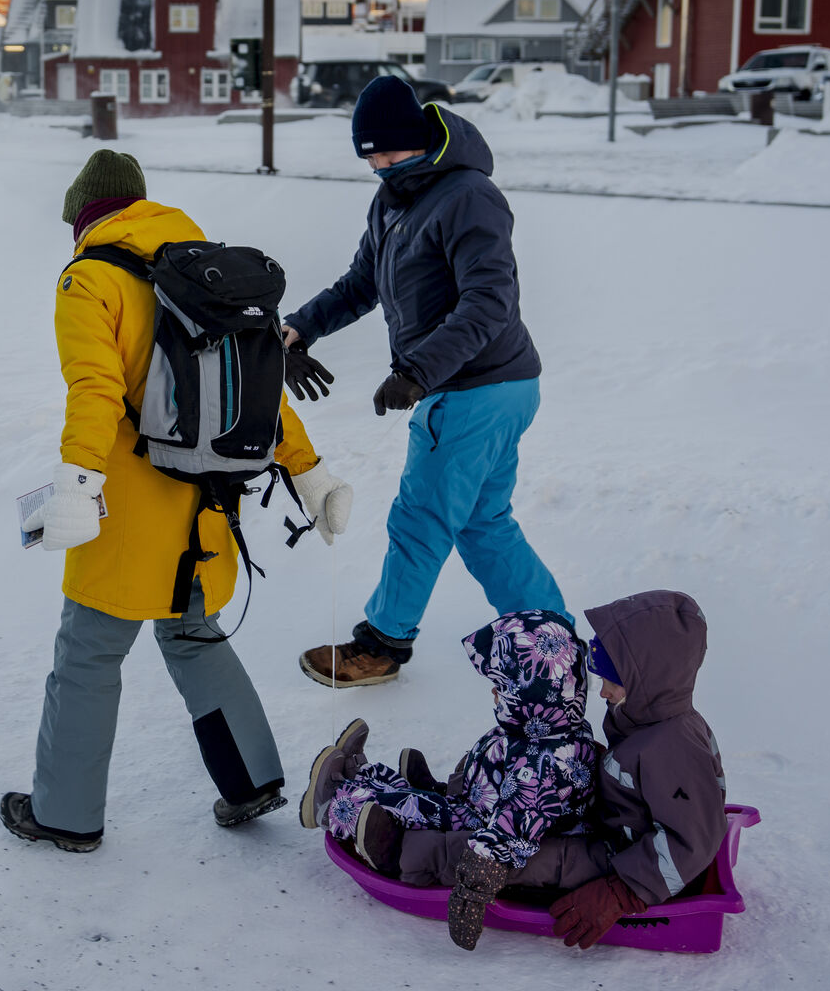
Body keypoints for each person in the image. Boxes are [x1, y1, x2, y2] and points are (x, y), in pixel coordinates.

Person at [2, 150, 356, 853]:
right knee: (193, 635)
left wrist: (77, 482)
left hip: (130, 513)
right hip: (210, 509)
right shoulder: (207, 278)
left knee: (88, 656)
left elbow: (95, 394)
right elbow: (261, 395)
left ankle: (65, 815)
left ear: (84, 215)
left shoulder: (90, 279)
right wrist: (309, 472)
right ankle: (251, 779)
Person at [282, 75, 563, 687]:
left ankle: (382, 646)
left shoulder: (467, 196)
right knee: (483, 522)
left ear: (418, 139)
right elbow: (361, 283)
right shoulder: (392, 200)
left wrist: (417, 370)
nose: (378, 164)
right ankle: (552, 640)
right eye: (368, 155)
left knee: (420, 518)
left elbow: (490, 301)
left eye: (386, 151)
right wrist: (299, 330)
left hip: (476, 386)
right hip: (488, 385)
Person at [370, 590, 728, 952]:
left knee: (524, 855)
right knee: (527, 798)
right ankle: (443, 801)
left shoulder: (672, 745)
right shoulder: (651, 718)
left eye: (612, 681)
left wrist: (621, 892)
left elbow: (693, 841)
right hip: (607, 829)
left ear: (648, 679)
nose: (602, 691)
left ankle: (403, 851)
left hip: (619, 859)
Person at [298, 609, 599, 881]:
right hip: (478, 805)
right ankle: (361, 776)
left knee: (409, 808)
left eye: (504, 688)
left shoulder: (541, 763)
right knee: (416, 802)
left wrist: (477, 883)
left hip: (476, 825)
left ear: (531, 694)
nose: (495, 693)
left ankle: (330, 805)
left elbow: (515, 827)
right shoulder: (553, 725)